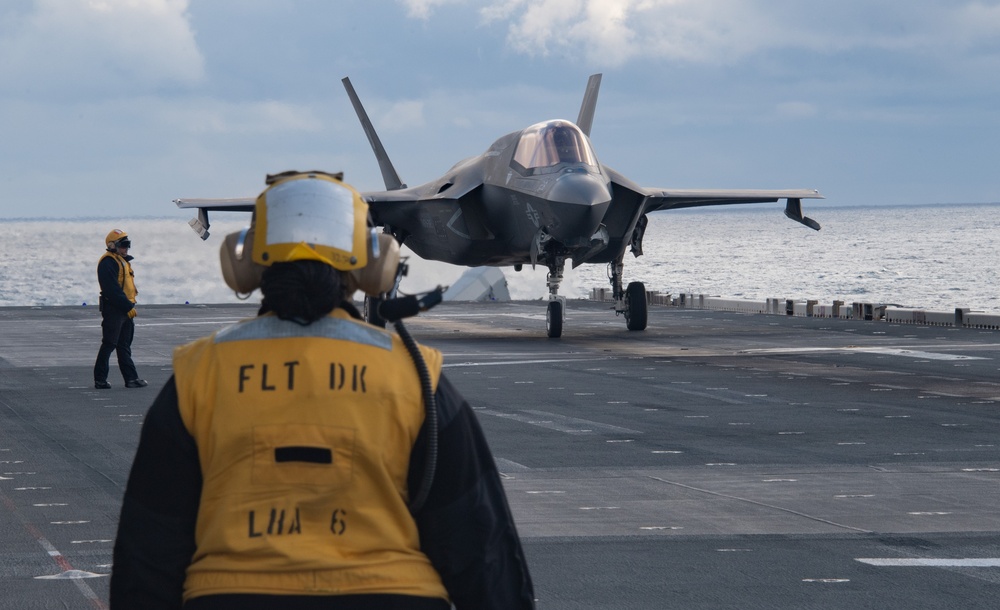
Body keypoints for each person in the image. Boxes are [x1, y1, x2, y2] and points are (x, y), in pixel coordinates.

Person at [110, 171, 535, 609]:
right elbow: (483, 554)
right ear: (372, 262)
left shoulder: (199, 376)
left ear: (247, 261)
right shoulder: (415, 379)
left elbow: (147, 557)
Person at [94, 229, 147, 389]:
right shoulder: (107, 263)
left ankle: (131, 379)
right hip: (114, 310)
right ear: (113, 246)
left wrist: (129, 307)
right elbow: (112, 290)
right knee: (109, 343)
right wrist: (126, 306)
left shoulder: (121, 261)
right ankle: (100, 379)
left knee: (124, 345)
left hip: (126, 309)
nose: (126, 248)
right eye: (123, 245)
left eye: (128, 245)